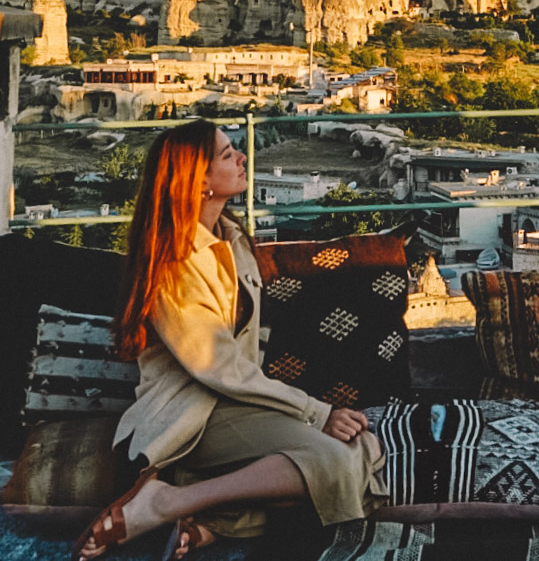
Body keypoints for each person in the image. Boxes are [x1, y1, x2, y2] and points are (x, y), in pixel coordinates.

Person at [75, 120, 387, 560]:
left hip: (235, 403)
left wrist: (308, 416)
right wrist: (316, 412)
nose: (242, 158)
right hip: (192, 414)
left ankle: (209, 525)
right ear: (196, 179)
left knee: (362, 448)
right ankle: (165, 502)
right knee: (335, 462)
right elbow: (218, 366)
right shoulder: (175, 261)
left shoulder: (231, 237)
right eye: (226, 155)